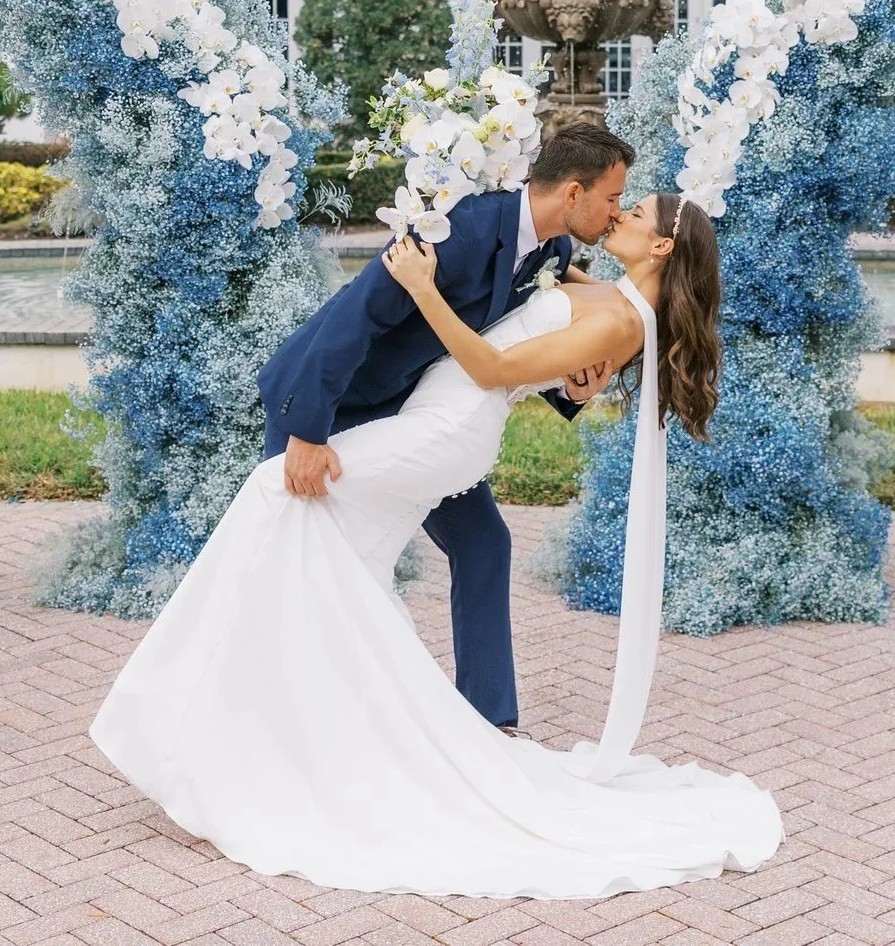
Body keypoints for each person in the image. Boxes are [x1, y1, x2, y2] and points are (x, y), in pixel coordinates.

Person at [89, 190, 782, 897]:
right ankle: (315, 738)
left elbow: (491, 367)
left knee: (278, 492)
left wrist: (423, 289)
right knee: (349, 562)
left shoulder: (620, 320)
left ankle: (192, 713)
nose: (619, 215)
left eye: (633, 213)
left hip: (449, 428)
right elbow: (535, 291)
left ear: (662, 244)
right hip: (436, 413)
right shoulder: (602, 286)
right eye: (617, 201)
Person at [254, 124, 633, 731]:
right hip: (335, 407)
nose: (616, 213)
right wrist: (307, 433)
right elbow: (356, 315)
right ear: (571, 192)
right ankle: (274, 717)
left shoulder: (555, 254)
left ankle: (489, 722)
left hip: (420, 421)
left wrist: (571, 389)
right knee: (295, 557)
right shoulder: (457, 227)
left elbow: (523, 341)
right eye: (612, 198)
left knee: (484, 544)